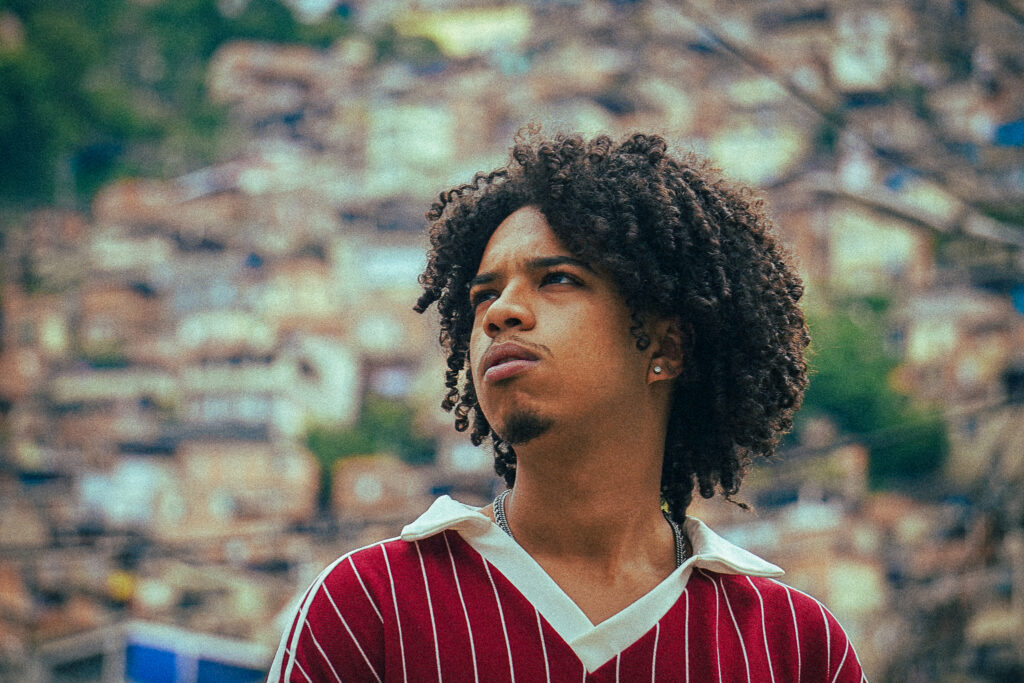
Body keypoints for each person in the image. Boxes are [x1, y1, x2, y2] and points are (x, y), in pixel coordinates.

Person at [268, 130, 867, 682]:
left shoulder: (794, 648)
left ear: (667, 347)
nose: (501, 312)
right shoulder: (368, 608)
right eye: (483, 295)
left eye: (557, 279)